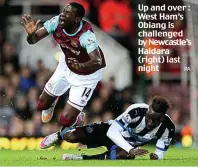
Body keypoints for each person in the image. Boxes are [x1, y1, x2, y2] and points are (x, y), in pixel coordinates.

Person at [21, 2, 106, 147]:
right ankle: (52, 102)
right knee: (42, 104)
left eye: (68, 13)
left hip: (87, 76)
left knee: (65, 120)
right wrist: (31, 35)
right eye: (64, 11)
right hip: (66, 66)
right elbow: (33, 40)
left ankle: (77, 117)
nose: (63, 15)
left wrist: (80, 66)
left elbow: (97, 61)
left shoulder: (86, 35)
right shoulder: (56, 22)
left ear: (77, 19)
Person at [41, 96, 175, 160]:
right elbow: (112, 132)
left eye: (155, 120)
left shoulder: (168, 127)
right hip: (108, 131)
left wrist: (156, 156)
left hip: (123, 146)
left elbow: (160, 151)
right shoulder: (137, 111)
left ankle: (81, 158)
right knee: (71, 137)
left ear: (162, 118)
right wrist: (131, 148)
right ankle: (59, 134)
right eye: (149, 117)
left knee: (126, 155)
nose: (150, 122)